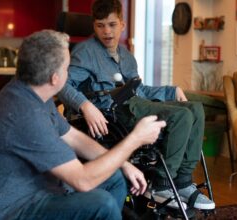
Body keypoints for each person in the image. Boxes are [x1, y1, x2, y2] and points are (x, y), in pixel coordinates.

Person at [0, 29, 167, 220]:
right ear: (55, 78)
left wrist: (123, 164)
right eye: (66, 68)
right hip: (9, 210)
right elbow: (82, 180)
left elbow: (72, 136)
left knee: (114, 176)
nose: (68, 73)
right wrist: (134, 140)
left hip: (35, 190)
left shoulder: (34, 91)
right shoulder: (26, 113)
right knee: (102, 203)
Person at [58, 0, 215, 210]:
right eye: (100, 25)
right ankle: (161, 184)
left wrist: (171, 90)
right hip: (113, 112)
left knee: (195, 108)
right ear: (93, 26)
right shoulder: (85, 52)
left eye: (112, 24)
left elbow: (140, 90)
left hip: (136, 104)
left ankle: (183, 181)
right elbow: (63, 85)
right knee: (181, 117)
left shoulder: (126, 55)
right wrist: (85, 105)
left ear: (122, 24)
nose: (106, 31)